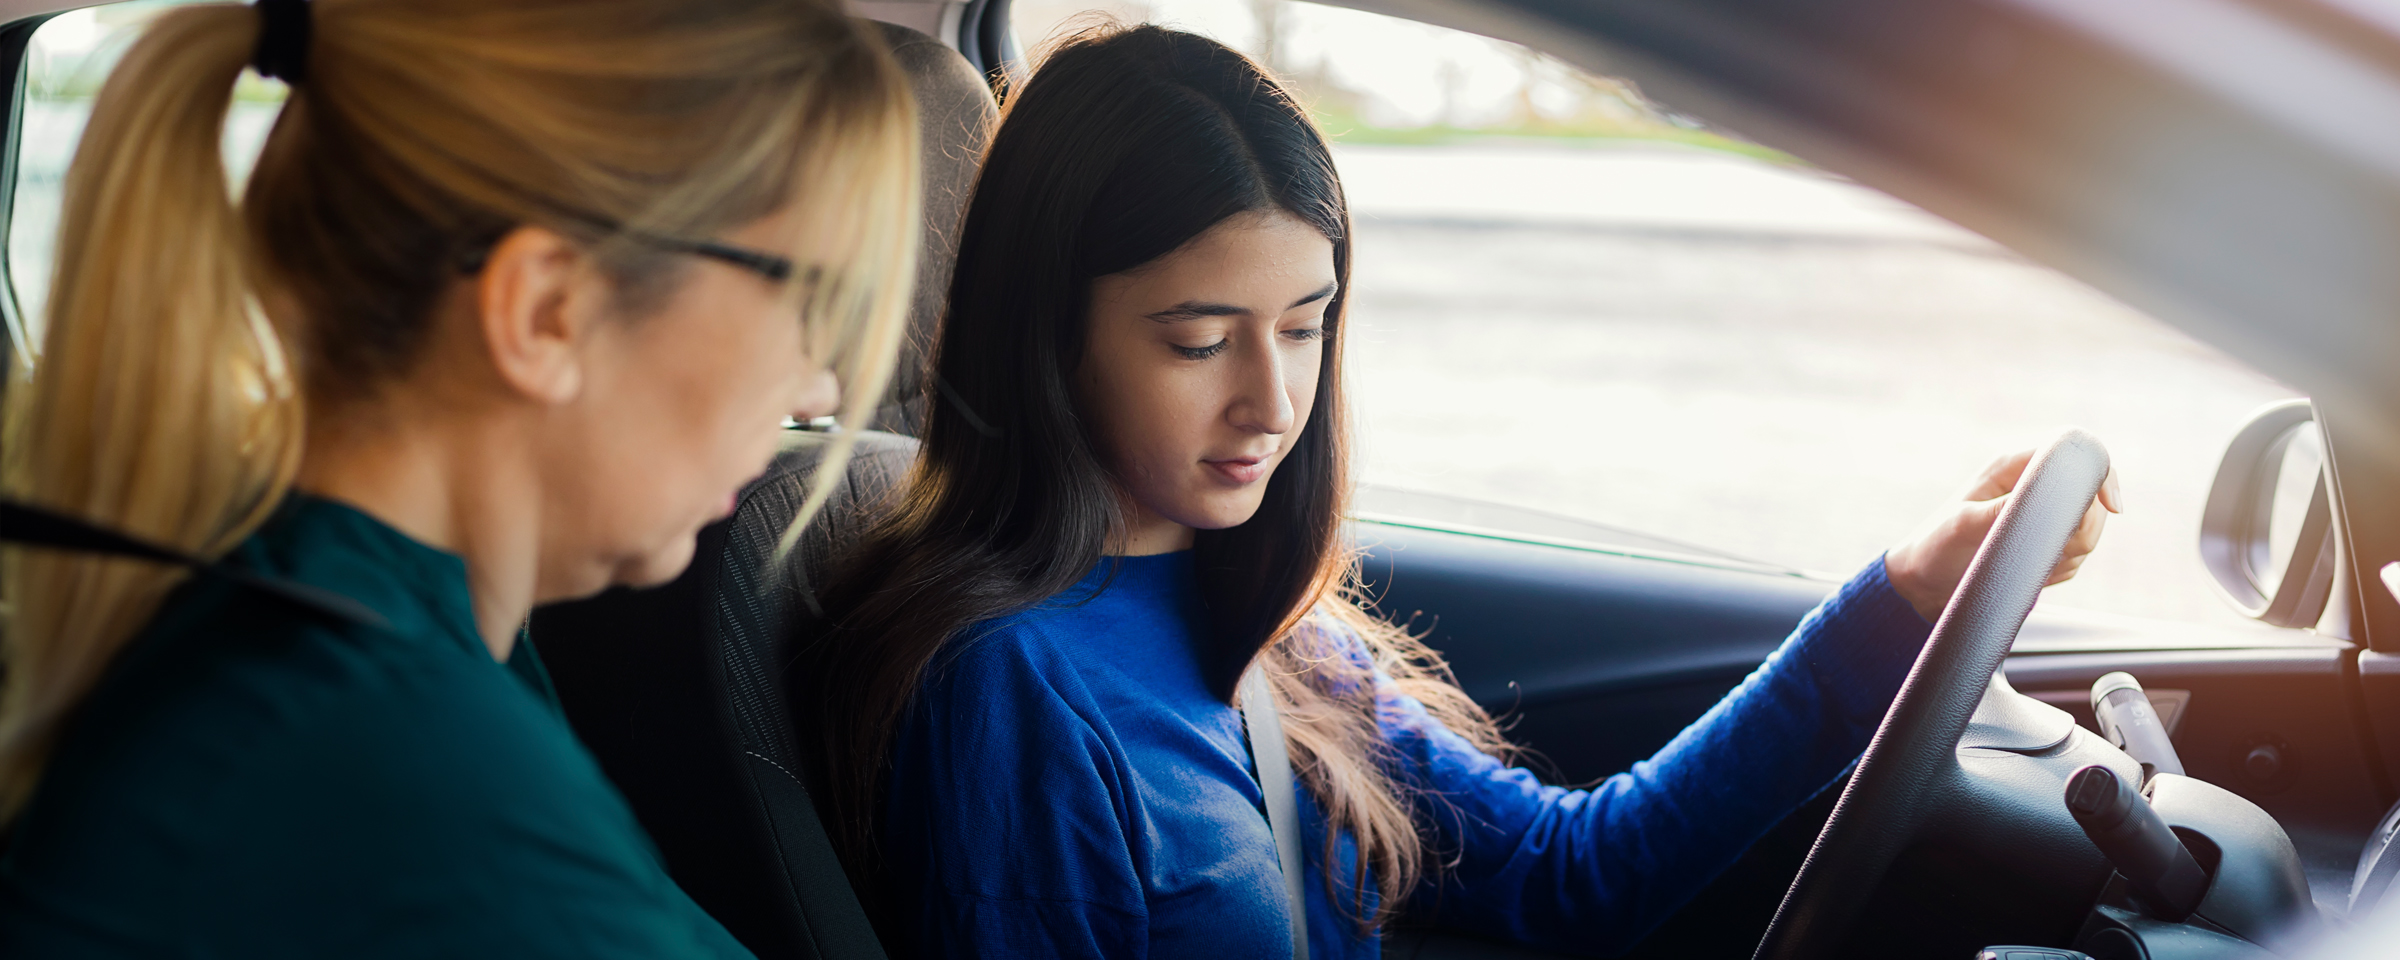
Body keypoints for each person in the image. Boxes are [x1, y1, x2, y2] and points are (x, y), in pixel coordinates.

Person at [798, 23, 2122, 960]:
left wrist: (1908, 595)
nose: (1272, 400)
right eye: (1198, 342)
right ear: (1048, 336)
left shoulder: (1252, 606)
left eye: (1307, 326)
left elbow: (1574, 875)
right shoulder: (1011, 695)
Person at [0, 0, 918, 954]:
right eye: (812, 301)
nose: (822, 380)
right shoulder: (393, 766)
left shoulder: (357, 642)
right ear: (546, 313)